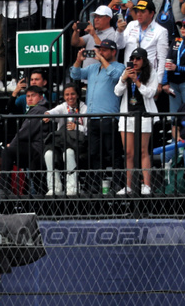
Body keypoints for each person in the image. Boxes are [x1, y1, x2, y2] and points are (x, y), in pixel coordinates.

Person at [70, 38, 126, 195]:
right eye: (100, 49)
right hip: (93, 117)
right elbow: (75, 74)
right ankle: (94, 184)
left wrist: (102, 60)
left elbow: (117, 77)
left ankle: (117, 184)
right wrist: (78, 60)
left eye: (105, 50)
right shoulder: (93, 67)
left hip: (109, 117)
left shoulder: (119, 66)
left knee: (113, 152)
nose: (101, 52)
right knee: (94, 153)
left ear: (113, 52)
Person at [115, 47, 158, 195]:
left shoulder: (151, 73)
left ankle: (146, 185)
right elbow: (117, 91)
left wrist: (137, 82)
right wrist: (124, 78)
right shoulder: (126, 72)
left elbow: (151, 93)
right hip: (127, 115)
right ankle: (128, 186)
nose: (135, 61)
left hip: (144, 115)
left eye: (138, 59)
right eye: (133, 59)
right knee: (128, 152)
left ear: (144, 60)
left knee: (143, 150)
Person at [0, 86, 50, 196]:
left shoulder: (39, 110)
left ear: (41, 97)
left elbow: (25, 133)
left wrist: (11, 145)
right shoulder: (37, 109)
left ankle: (4, 187)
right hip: (35, 148)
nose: (30, 98)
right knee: (38, 183)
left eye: (33, 96)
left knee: (7, 151)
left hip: (36, 149)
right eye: (27, 96)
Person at [43, 84, 87, 197]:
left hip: (78, 144)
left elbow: (88, 130)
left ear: (77, 95)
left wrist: (77, 127)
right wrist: (47, 114)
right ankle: (54, 188)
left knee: (68, 153)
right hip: (61, 143)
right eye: (67, 95)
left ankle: (72, 187)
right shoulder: (63, 107)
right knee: (48, 154)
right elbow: (54, 111)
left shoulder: (84, 108)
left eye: (72, 94)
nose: (70, 97)